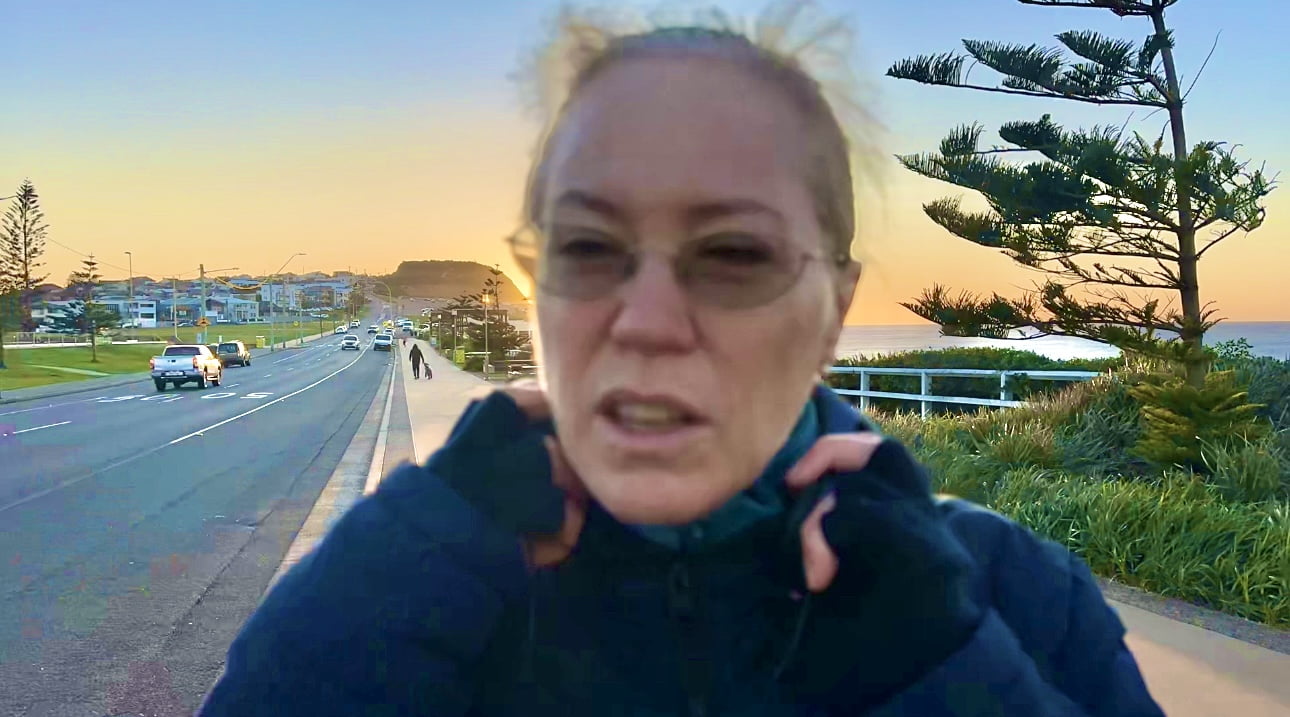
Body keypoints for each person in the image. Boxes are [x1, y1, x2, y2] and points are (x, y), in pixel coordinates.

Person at [200, 5, 1164, 716]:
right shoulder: (420, 594)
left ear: (833, 309)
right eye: (586, 247)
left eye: (734, 254)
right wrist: (383, 577)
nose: (648, 322)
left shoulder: (1015, 597)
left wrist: (943, 674)